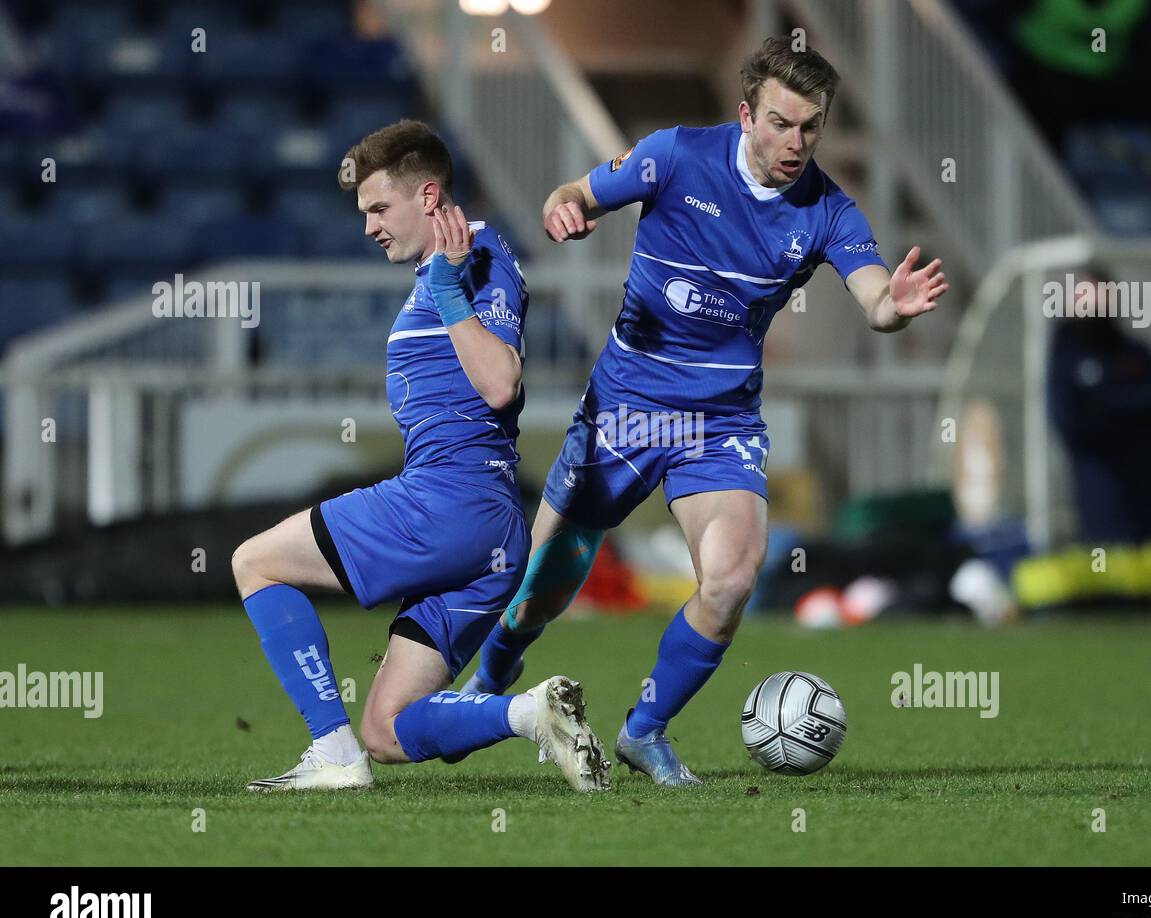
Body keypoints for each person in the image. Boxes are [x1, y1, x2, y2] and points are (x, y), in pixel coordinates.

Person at [460, 38, 948, 786]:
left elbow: (876, 297)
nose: (797, 143)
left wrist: (894, 307)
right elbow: (575, 194)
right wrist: (565, 211)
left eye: (811, 127)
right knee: (538, 594)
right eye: (782, 124)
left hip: (716, 429)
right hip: (624, 410)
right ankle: (487, 687)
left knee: (729, 578)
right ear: (746, 113)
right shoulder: (675, 157)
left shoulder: (826, 209)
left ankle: (644, 730)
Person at [232, 120, 610, 794]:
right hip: (488, 528)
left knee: (254, 563)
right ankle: (533, 713)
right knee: (387, 730)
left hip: (443, 503)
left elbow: (500, 381)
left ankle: (329, 749)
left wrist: (445, 284)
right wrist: (440, 280)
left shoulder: (478, 259)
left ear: (429, 196)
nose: (370, 226)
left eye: (379, 207)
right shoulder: (447, 270)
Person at [1047, 267, 1151, 547]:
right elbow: (1071, 421)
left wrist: (1112, 403)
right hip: (1106, 510)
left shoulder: (1131, 351)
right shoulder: (1067, 358)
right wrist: (1130, 411)